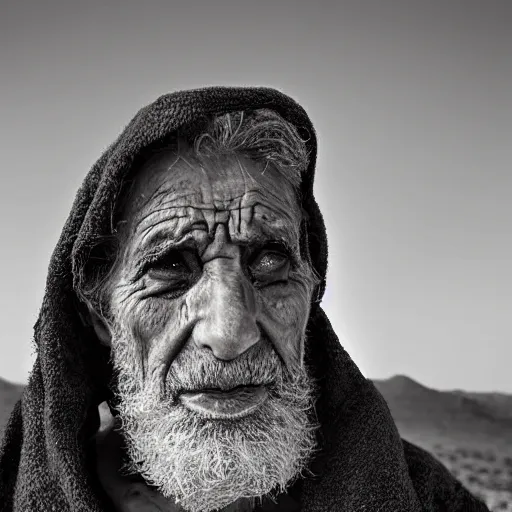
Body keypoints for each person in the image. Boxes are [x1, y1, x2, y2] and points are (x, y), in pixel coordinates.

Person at [0, 87, 489, 512]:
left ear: (310, 295)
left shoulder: (426, 498)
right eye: (170, 267)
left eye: (270, 263)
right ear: (100, 314)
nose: (230, 333)